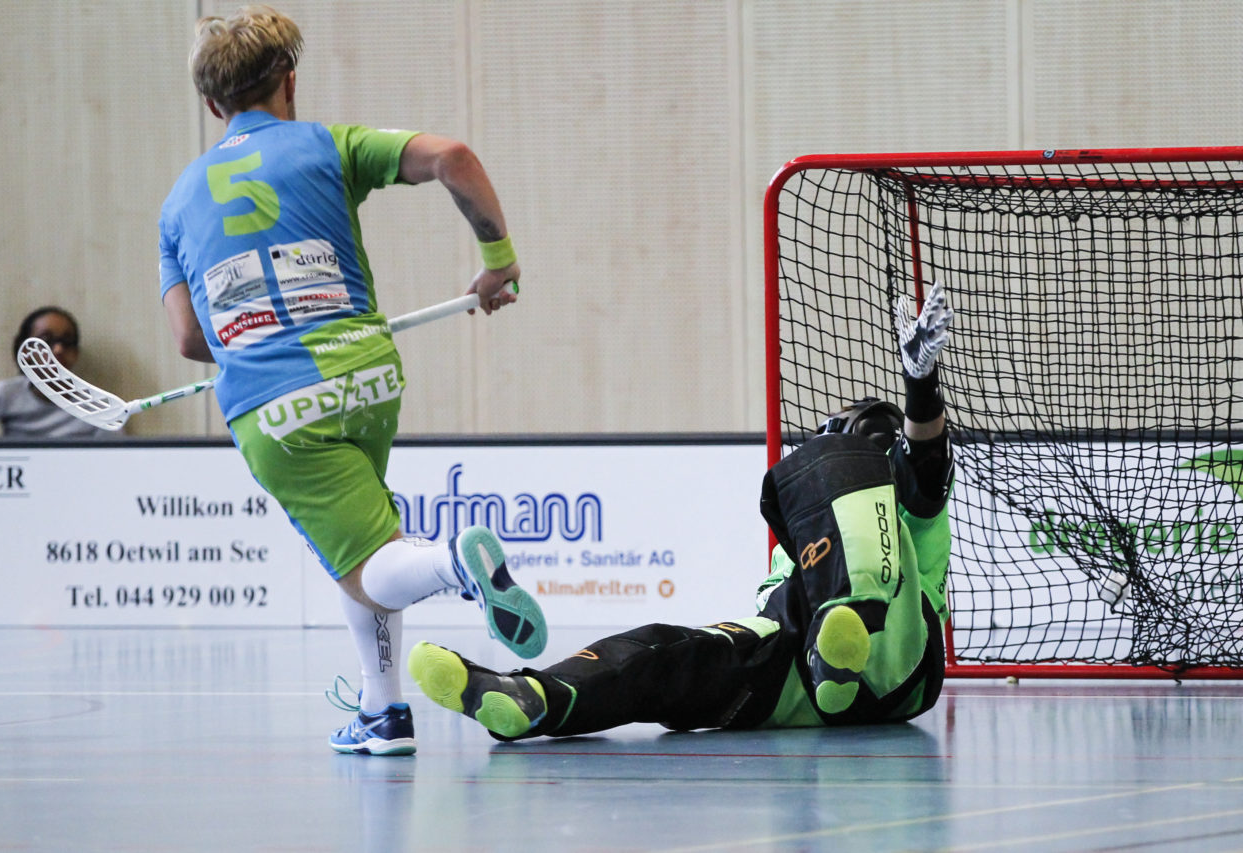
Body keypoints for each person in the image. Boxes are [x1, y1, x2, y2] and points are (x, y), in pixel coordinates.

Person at [157, 5, 544, 756]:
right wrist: (498, 261)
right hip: (367, 376)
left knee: (369, 565)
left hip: (275, 407)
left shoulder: (176, 206)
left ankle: (455, 563)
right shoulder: (330, 146)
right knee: (368, 543)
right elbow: (453, 156)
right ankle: (383, 710)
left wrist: (251, 340)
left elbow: (189, 339)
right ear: (288, 79)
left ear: (210, 104)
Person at [408, 283, 956, 740]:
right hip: (796, 678)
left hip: (898, 660)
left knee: (828, 479)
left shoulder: (908, 514)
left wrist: (920, 382)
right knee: (661, 655)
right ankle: (533, 697)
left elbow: (926, 466)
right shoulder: (801, 543)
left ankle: (846, 630)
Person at [0, 307, 106, 439]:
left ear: (76, 353)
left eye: (67, 341)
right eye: (46, 341)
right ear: (25, 350)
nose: (58, 350)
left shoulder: (95, 403)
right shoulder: (7, 393)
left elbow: (113, 452)